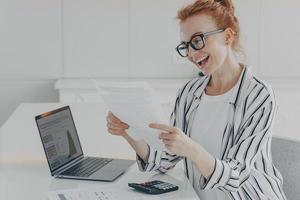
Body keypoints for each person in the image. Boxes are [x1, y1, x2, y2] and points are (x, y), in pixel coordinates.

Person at [106, 0, 286, 199]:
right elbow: (165, 160)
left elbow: (235, 176)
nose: (191, 54)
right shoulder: (188, 92)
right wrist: (127, 131)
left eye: (198, 40)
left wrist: (191, 150)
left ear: (227, 36)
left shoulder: (259, 95)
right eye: (186, 46)